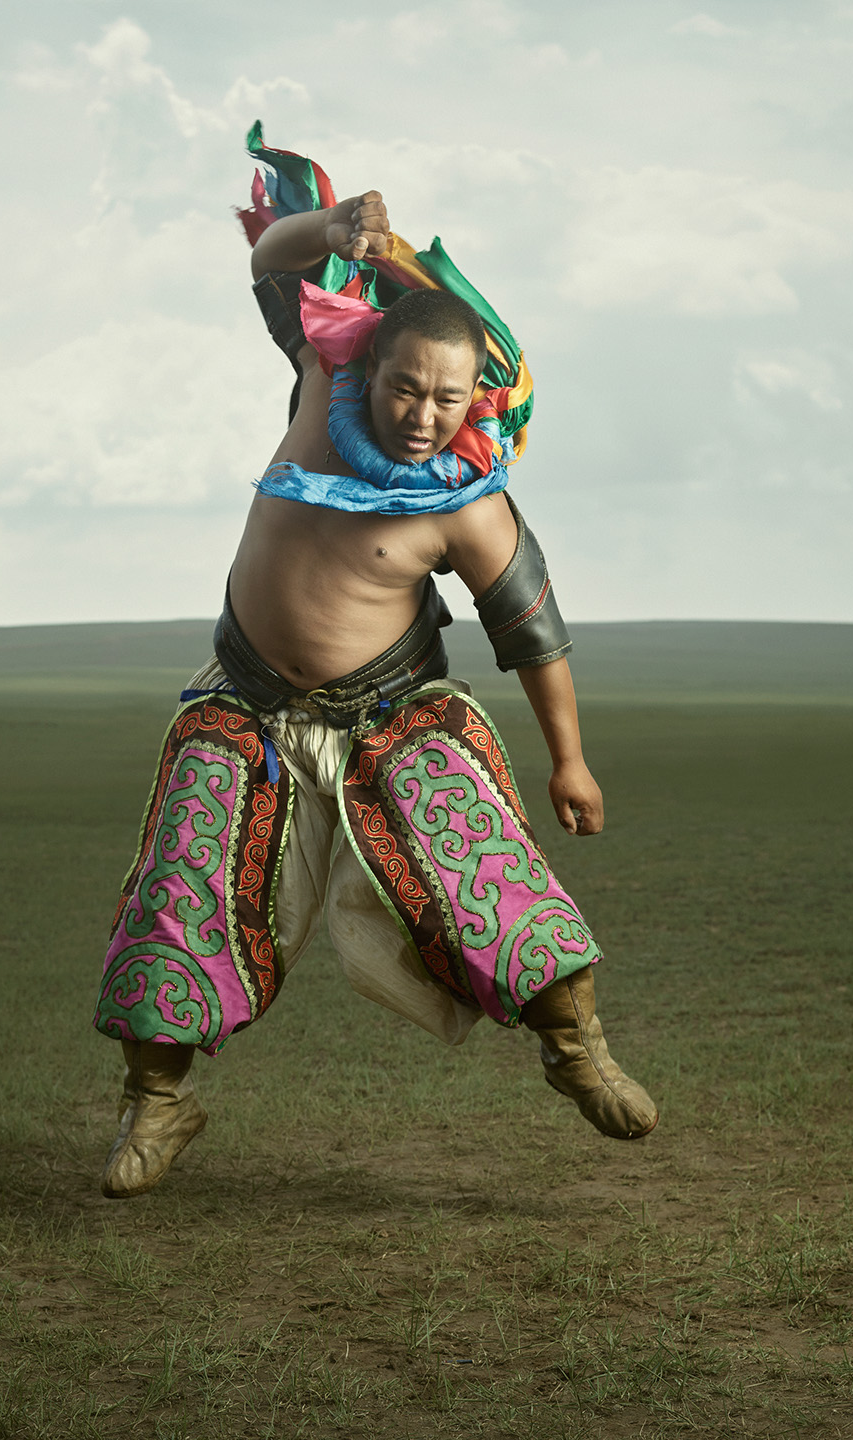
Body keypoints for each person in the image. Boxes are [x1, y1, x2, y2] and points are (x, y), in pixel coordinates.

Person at [91, 128, 656, 1199]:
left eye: (447, 401)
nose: (422, 417)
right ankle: (157, 1104)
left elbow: (534, 635)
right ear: (373, 365)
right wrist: (334, 229)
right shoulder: (316, 375)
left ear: (474, 399)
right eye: (405, 389)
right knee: (180, 895)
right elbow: (270, 263)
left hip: (394, 719)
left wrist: (570, 762)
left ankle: (576, 1047)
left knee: (489, 880)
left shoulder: (472, 506)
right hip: (241, 710)